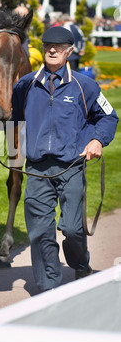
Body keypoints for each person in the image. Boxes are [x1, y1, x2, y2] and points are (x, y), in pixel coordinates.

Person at [11, 26, 119, 292]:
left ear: (69, 51)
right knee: (40, 232)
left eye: (58, 47)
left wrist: (96, 140)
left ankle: (80, 262)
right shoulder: (26, 85)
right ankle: (50, 289)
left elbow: (108, 117)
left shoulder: (86, 85)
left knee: (71, 229)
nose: (51, 50)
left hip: (70, 166)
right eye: (48, 45)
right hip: (36, 168)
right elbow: (8, 115)